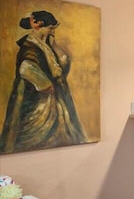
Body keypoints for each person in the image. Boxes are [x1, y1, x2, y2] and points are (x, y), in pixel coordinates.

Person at [0, 11, 87, 153]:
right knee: (35, 141)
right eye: (50, 28)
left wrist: (54, 45)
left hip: (54, 103)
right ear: (39, 26)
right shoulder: (29, 47)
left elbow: (63, 65)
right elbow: (26, 68)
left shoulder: (46, 45)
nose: (52, 32)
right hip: (38, 104)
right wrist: (46, 84)